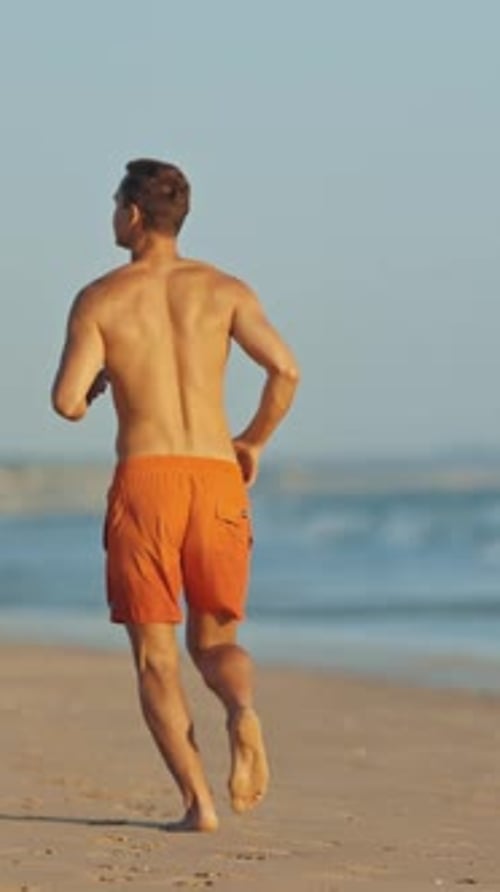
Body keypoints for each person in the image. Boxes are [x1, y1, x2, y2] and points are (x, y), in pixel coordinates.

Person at [51, 158, 300, 831]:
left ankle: (200, 806)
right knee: (216, 643)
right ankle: (242, 711)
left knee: (156, 658)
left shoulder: (101, 298)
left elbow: (67, 402)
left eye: (114, 205)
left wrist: (99, 382)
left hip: (148, 480)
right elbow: (285, 369)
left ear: (133, 215)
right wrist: (250, 442)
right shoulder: (225, 291)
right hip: (216, 476)